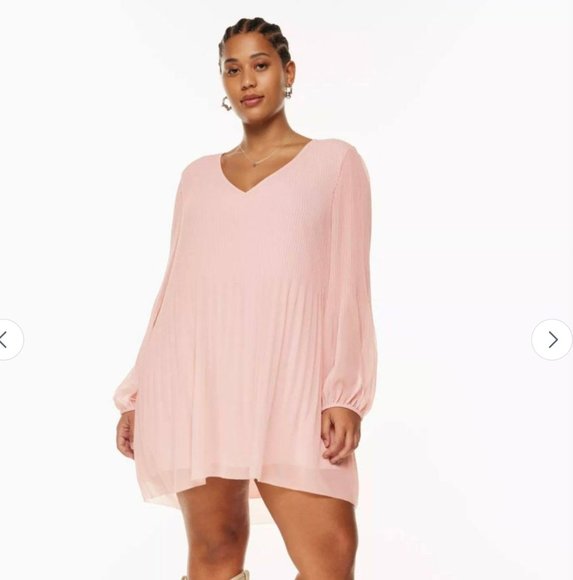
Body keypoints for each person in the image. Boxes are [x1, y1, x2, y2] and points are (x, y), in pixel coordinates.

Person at [114, 16, 378, 580]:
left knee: (330, 556)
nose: (247, 81)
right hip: (198, 382)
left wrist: (345, 394)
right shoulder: (196, 177)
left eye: (260, 65)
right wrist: (138, 393)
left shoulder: (335, 163)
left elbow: (350, 288)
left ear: (288, 73)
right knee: (215, 552)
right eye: (232, 70)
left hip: (293, 382)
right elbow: (175, 289)